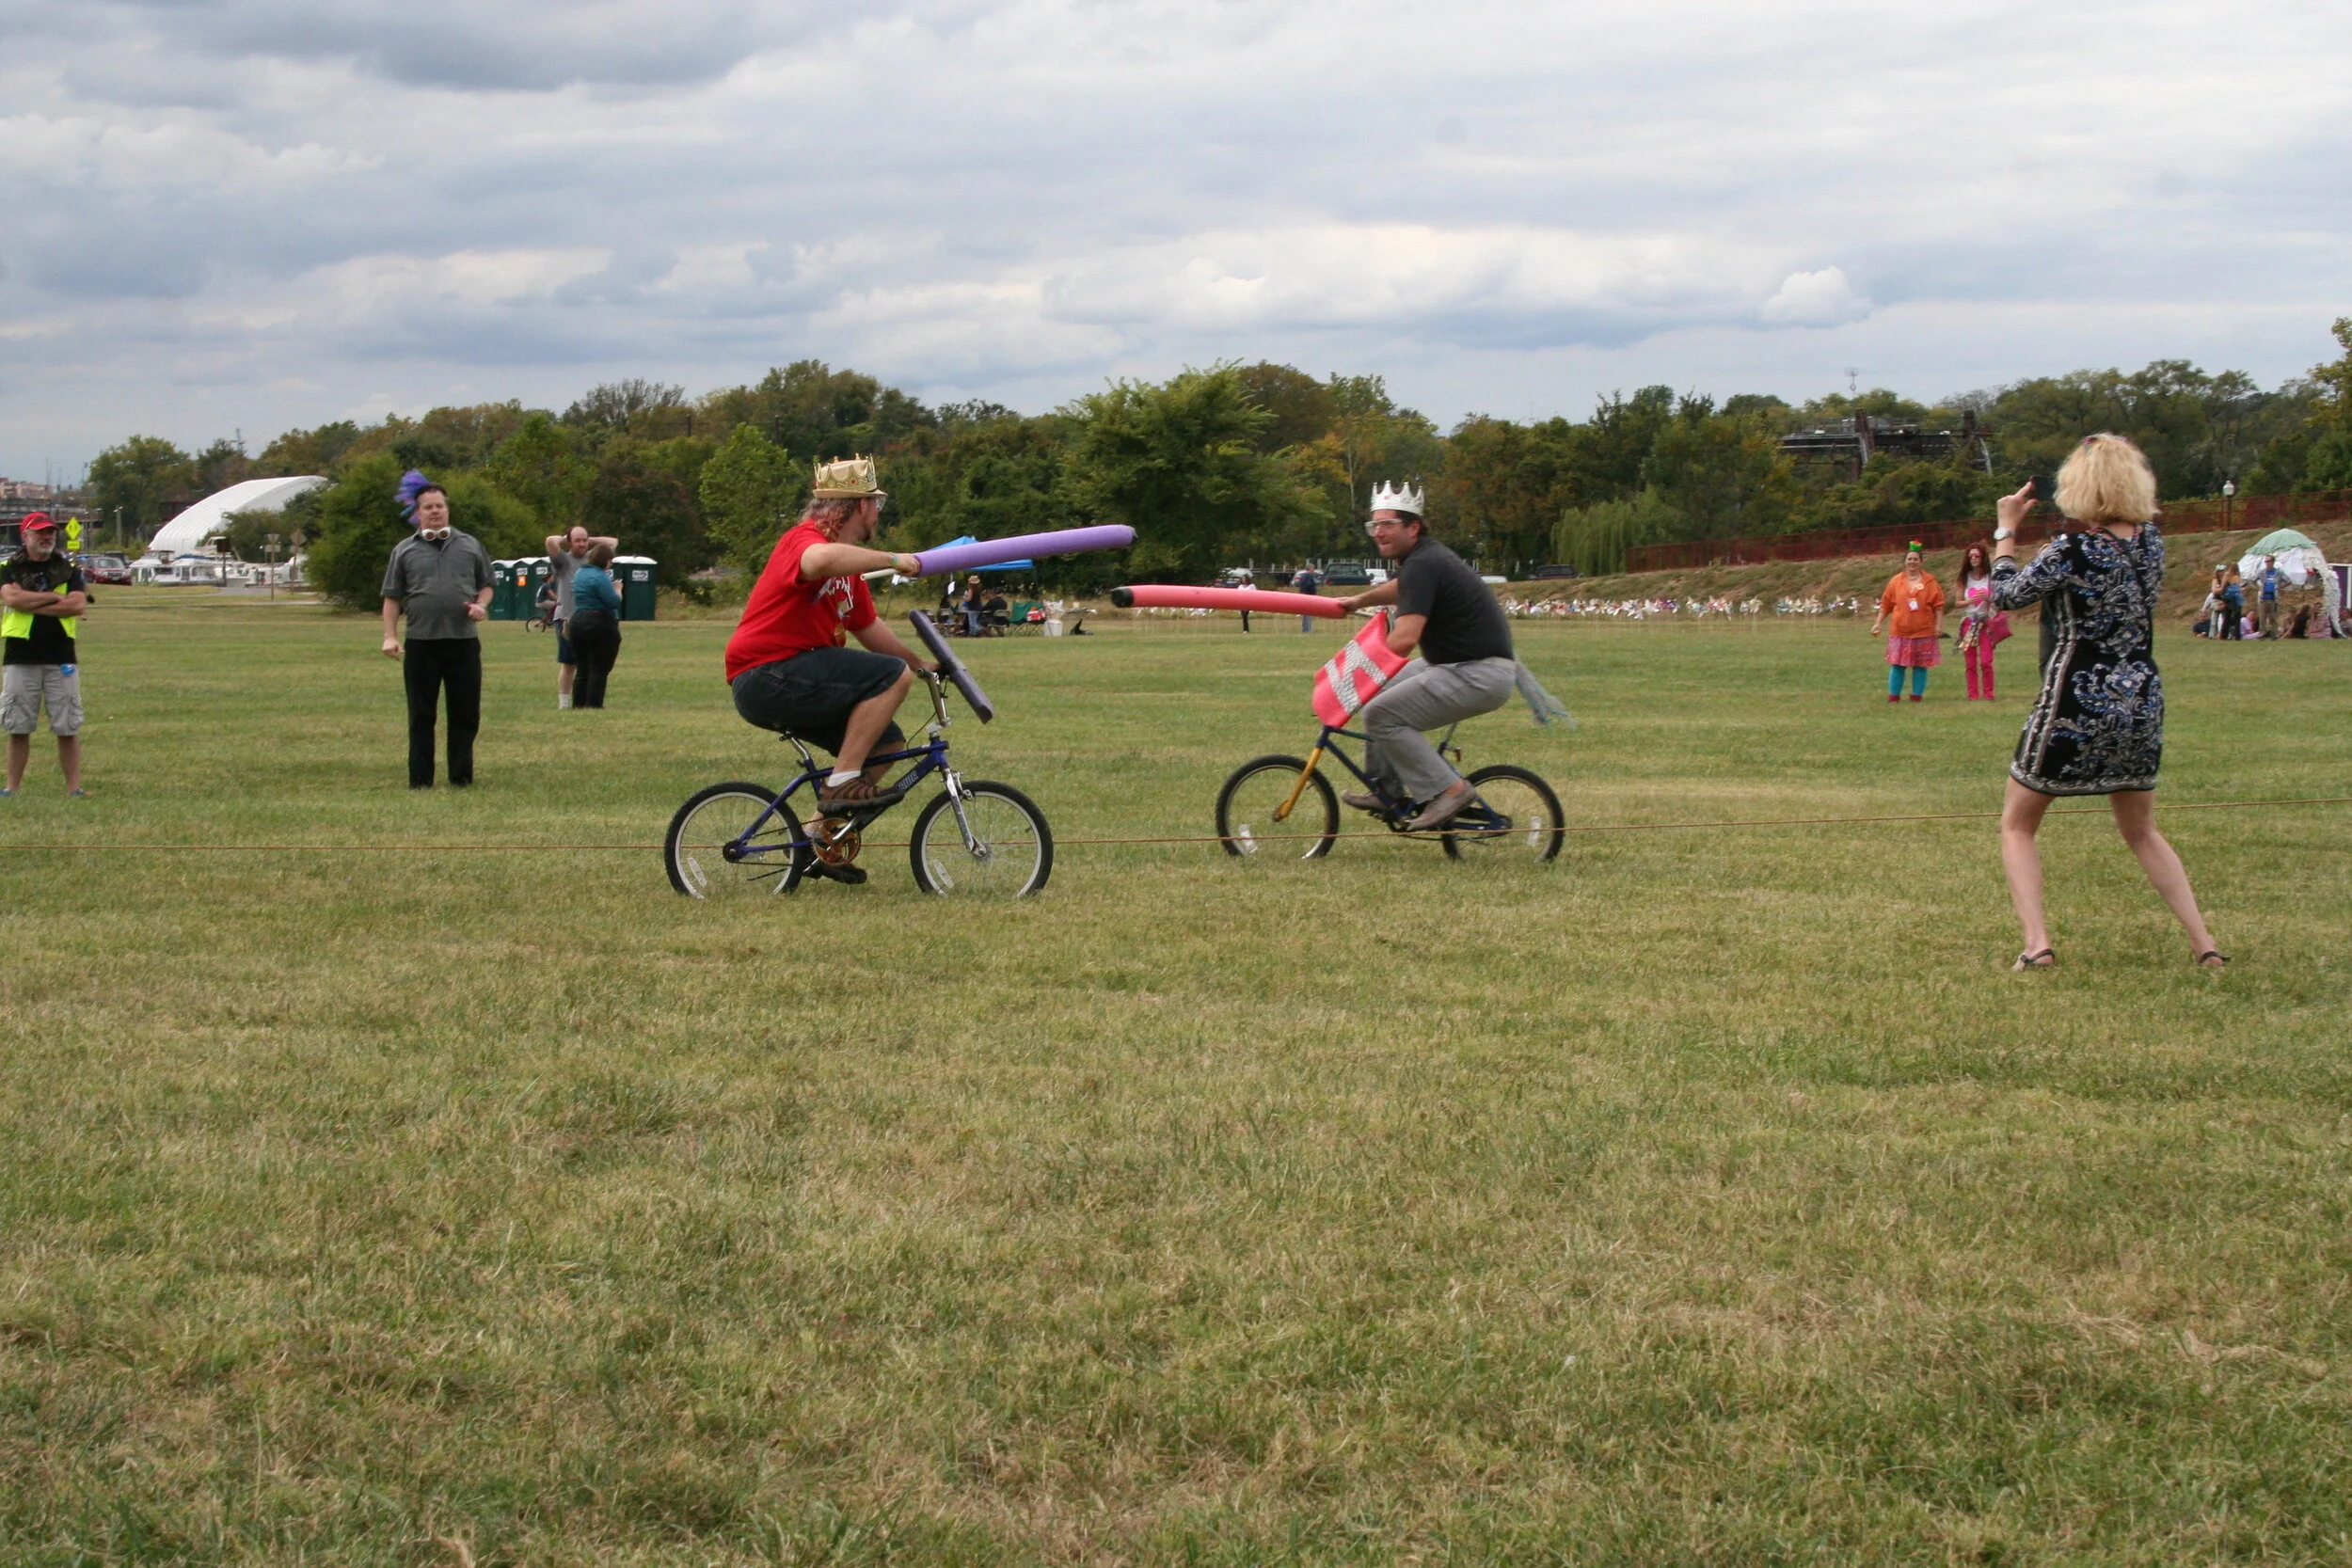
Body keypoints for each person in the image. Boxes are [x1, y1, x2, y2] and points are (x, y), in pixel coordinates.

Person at [1989, 433, 2222, 971]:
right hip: (2140, 698)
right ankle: (2204, 944)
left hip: (2075, 698)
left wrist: (2005, 530)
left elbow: (2004, 595)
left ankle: (2037, 943)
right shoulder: (2151, 543)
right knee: (2142, 830)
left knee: (2018, 825)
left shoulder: (2070, 549)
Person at [723, 456, 935, 843]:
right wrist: (893, 559)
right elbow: (819, 560)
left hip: (789, 675)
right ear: (860, 506)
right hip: (767, 672)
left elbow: (867, 627)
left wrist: (920, 664)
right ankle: (841, 783)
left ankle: (817, 840)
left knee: (886, 744)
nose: (878, 513)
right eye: (876, 504)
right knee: (890, 674)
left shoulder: (848, 568)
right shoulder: (804, 540)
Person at [1329, 481, 1518, 830]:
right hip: (1456, 664)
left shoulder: (1424, 563)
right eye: (1374, 525)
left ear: (1413, 527)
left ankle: (1453, 791)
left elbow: (1404, 640)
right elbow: (1402, 588)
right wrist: (1359, 601)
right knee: (1377, 694)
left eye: (1388, 524)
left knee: (1382, 714)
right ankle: (1387, 792)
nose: (1378, 532)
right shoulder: (1424, 560)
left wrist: (1356, 671)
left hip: (1476, 672)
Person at [381, 472, 495, 788]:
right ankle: (420, 780)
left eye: (439, 506)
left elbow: (487, 584)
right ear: (418, 513)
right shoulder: (404, 551)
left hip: (463, 643)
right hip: (421, 644)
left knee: (465, 714)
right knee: (421, 715)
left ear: (447, 509)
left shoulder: (470, 545)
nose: (435, 511)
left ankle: (461, 778)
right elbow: (392, 597)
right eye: (428, 507)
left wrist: (481, 604)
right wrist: (389, 636)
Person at [1, 513, 90, 798]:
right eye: (39, 532)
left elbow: (76, 606)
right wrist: (54, 597)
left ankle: (74, 789)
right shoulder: (9, 568)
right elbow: (12, 599)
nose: (47, 537)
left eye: (50, 532)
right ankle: (12, 788)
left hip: (61, 656)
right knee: (18, 726)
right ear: (25, 535)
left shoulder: (69, 570)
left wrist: (31, 602)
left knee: (67, 726)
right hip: (20, 656)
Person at [546, 523, 619, 708]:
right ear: (569, 542)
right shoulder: (563, 561)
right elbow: (550, 541)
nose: (582, 544)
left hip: (587, 618)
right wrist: (565, 539)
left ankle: (583, 702)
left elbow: (612, 542)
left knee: (586, 664)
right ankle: (564, 703)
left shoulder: (591, 559)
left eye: (584, 540)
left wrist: (590, 540)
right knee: (569, 663)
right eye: (577, 541)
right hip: (567, 616)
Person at [1870, 543, 1946, 702]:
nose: (1912, 562)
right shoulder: (1896, 581)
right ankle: (1894, 696)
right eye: (1909, 559)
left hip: (1924, 631)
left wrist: (1939, 626)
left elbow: (1938, 606)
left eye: (1915, 559)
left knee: (1921, 666)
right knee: (1897, 665)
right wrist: (1878, 623)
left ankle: (1916, 696)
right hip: (1900, 631)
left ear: (1921, 562)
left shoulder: (1930, 581)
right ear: (1905, 561)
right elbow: (1886, 604)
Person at [564, 542, 624, 708]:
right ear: (606, 561)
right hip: (599, 622)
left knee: (582, 668)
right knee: (599, 667)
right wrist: (618, 589)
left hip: (577, 621)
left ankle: (578, 705)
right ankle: (594, 705)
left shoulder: (579, 574)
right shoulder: (600, 576)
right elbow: (613, 601)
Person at [1955, 542, 2006, 700]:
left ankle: (1989, 693)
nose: (1973, 559)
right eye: (1970, 556)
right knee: (1970, 663)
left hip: (1986, 622)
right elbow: (1957, 602)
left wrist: (1987, 598)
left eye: (1976, 556)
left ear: (1983, 557)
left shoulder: (1991, 578)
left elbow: (1999, 600)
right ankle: (1973, 694)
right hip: (1969, 622)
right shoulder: (1964, 578)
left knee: (1986, 661)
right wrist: (1970, 601)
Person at [2256, 554, 2281, 639]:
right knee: (2262, 617)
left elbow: (2288, 580)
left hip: (2274, 597)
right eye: (2266, 561)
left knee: (2273, 617)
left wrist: (2279, 587)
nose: (2267, 563)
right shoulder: (2262, 572)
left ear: (2273, 562)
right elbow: (2253, 579)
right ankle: (2262, 633)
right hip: (2263, 597)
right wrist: (2258, 587)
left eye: (2268, 561)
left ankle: (2274, 634)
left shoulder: (2278, 572)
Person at [1291, 564, 1322, 631]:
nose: (1314, 570)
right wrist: (1314, 593)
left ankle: (1305, 628)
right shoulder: (1309, 576)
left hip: (1303, 596)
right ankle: (1307, 629)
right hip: (1308, 597)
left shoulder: (1302, 576)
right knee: (1309, 613)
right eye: (1313, 568)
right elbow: (1310, 586)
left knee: (1305, 614)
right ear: (1310, 569)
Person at [2218, 564, 2245, 640]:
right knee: (2237, 618)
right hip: (2237, 598)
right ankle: (2237, 636)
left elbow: (2223, 587)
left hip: (2229, 598)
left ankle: (2224, 635)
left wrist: (2222, 595)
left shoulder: (2227, 575)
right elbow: (2240, 588)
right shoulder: (2238, 577)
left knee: (2227, 617)